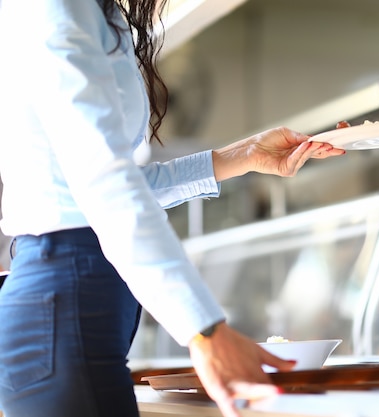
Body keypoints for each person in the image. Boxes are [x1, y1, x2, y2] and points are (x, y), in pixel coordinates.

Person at [0, 1, 344, 417]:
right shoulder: (58, 6)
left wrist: (245, 154)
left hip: (72, 311)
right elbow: (104, 182)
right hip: (65, 312)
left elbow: (104, 183)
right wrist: (204, 331)